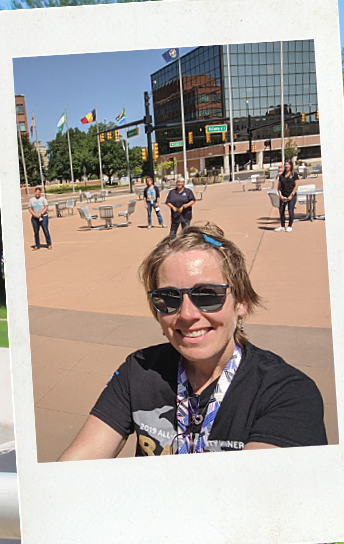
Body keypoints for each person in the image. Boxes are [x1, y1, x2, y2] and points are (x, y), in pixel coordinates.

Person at [57, 222, 327, 459]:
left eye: (207, 295)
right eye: (168, 299)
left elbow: (255, 500)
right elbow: (74, 469)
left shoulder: (287, 394)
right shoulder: (138, 371)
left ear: (241, 302)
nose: (186, 314)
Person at [275, 162, 298, 232]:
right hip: (283, 196)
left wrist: (291, 195)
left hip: (291, 196)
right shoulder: (281, 176)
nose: (286, 166)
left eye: (288, 164)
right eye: (285, 165)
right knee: (281, 210)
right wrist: (280, 195)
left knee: (290, 210)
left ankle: (290, 225)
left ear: (291, 165)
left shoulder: (294, 175)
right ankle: (282, 225)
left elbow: (296, 185)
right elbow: (278, 187)